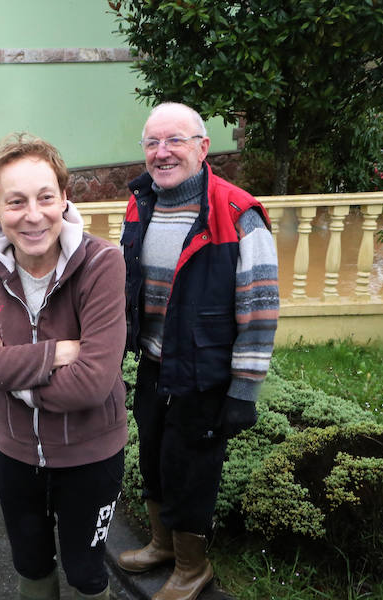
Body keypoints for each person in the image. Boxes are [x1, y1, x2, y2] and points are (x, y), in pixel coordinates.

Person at [0, 134, 127, 600]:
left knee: (87, 573)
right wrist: (56, 354)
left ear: (64, 197)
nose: (33, 215)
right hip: (16, 455)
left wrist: (5, 365)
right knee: (30, 568)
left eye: (46, 197)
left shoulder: (102, 263)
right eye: (16, 202)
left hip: (91, 456)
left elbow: (93, 383)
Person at [117, 102, 279, 600]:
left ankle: (193, 567)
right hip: (153, 362)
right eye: (152, 143)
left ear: (203, 147)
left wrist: (244, 391)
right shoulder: (140, 203)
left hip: (205, 372)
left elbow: (260, 306)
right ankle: (163, 545)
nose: (161, 153)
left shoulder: (236, 213)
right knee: (153, 457)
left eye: (175, 141)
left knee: (192, 469)